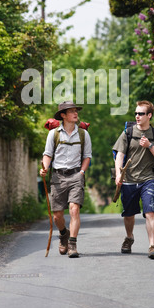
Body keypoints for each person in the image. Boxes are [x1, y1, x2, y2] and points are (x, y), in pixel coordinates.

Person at [113, 100, 154, 259]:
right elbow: (120, 155)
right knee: (129, 215)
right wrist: (118, 174)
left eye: (141, 113)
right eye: (136, 113)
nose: (137, 116)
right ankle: (129, 237)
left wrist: (150, 146)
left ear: (149, 115)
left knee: (150, 212)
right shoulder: (128, 133)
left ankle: (152, 246)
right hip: (129, 180)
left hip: (148, 179)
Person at [40, 101, 92, 258]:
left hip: (76, 175)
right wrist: (45, 168)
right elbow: (48, 154)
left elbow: (87, 156)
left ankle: (72, 244)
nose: (75, 114)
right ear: (63, 115)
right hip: (58, 176)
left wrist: (82, 172)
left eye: (76, 111)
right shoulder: (54, 134)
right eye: (71, 111)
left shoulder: (84, 134)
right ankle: (63, 234)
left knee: (74, 209)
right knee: (57, 215)